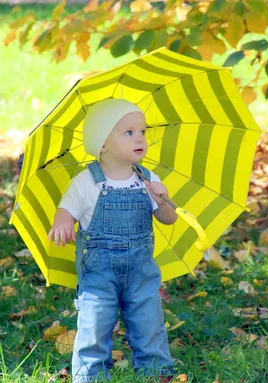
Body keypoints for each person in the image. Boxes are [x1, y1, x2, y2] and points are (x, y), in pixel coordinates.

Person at [47, 98, 177, 382]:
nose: (140, 138)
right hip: (98, 272)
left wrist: (163, 200)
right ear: (102, 143)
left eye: (142, 131)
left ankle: (155, 370)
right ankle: (91, 374)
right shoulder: (87, 181)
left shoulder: (148, 178)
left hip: (141, 269)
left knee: (149, 319)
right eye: (128, 132)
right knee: (95, 322)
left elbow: (168, 219)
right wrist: (63, 221)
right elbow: (66, 208)